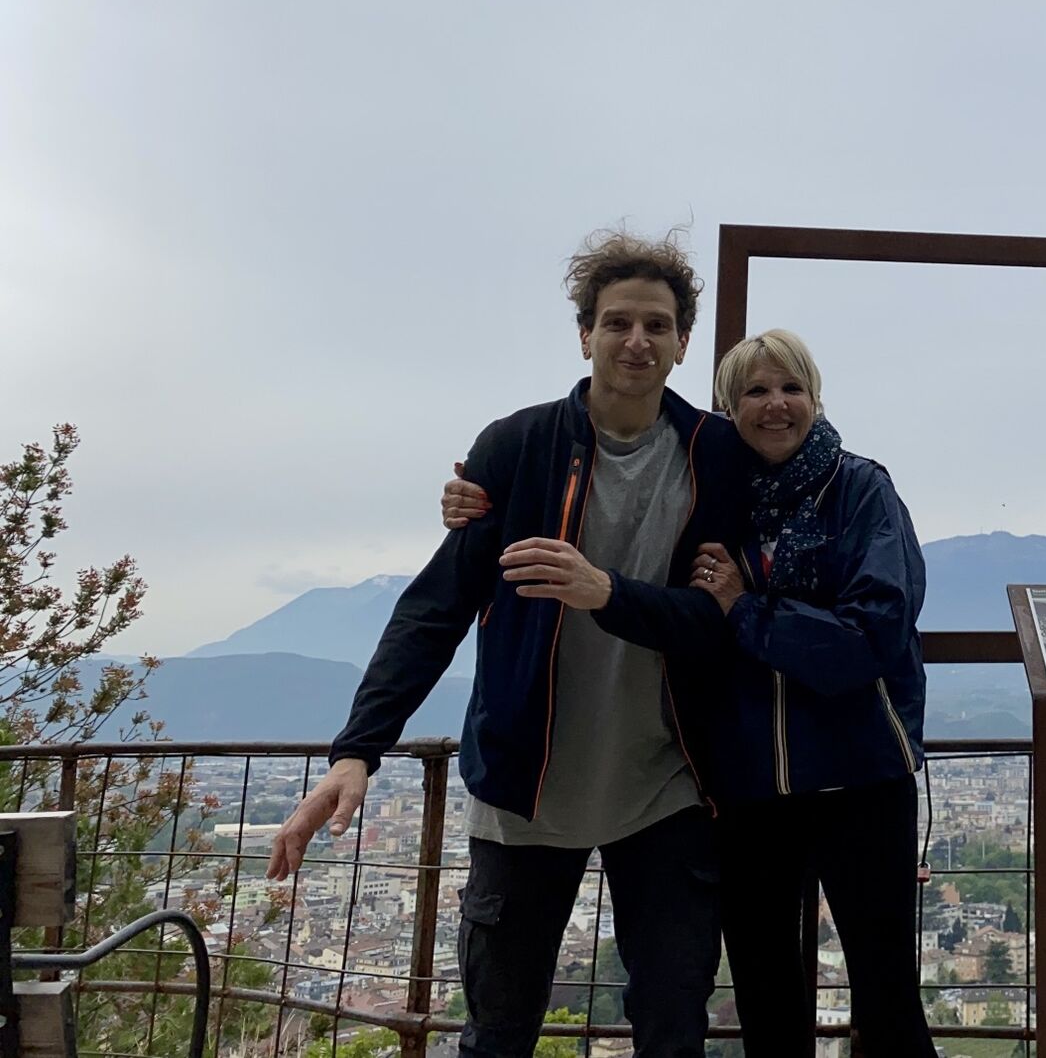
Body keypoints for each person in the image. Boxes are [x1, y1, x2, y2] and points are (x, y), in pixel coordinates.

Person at [268, 229, 751, 1058]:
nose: (637, 340)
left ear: (682, 343)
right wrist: (357, 750)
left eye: (657, 325)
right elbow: (436, 608)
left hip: (668, 784)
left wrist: (607, 593)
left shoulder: (717, 456)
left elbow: (715, 620)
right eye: (617, 322)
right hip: (524, 785)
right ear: (585, 335)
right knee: (499, 1028)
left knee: (673, 1025)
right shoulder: (519, 447)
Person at [448, 327, 937, 1057]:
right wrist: (483, 496)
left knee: (887, 995)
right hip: (747, 790)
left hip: (858, 778)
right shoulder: (717, 492)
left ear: (816, 398)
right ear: (728, 411)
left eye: (791, 388)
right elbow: (640, 567)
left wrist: (745, 609)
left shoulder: (860, 489)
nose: (775, 405)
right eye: (755, 392)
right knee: (766, 997)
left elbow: (871, 637)